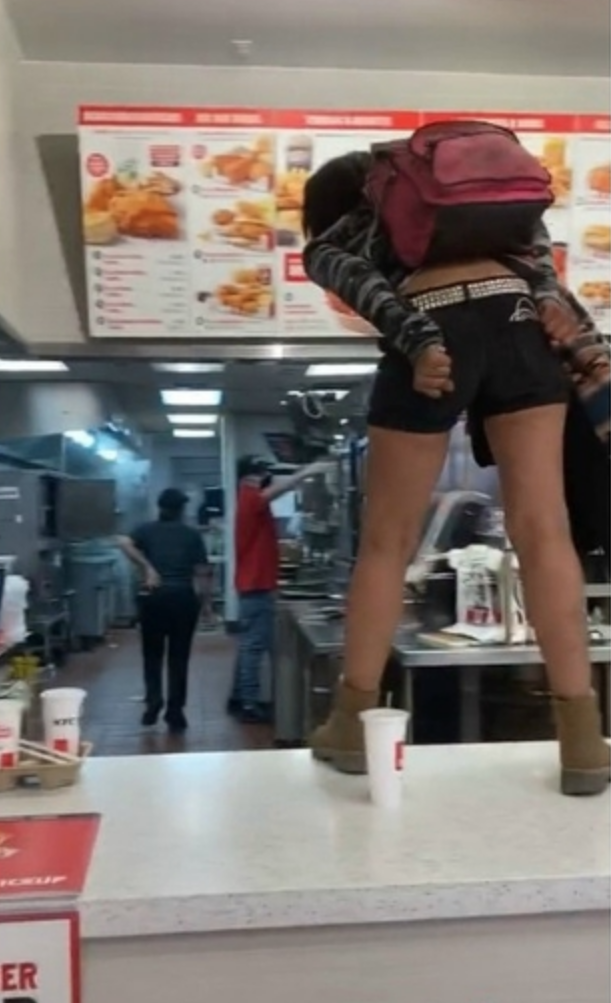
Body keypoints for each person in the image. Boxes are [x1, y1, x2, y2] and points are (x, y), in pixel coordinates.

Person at [301, 151, 610, 797]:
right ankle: (583, 741)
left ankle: (351, 727)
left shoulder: (346, 230)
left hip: (432, 328)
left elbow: (361, 285)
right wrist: (544, 297)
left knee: (387, 541)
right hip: (519, 323)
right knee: (545, 531)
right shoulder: (482, 220)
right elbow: (538, 248)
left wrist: (417, 340)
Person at [229, 455, 327, 724]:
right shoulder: (249, 495)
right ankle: (248, 704)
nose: (266, 478)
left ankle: (239, 697)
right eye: (263, 474)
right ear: (254, 475)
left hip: (255, 585)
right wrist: (306, 471)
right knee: (253, 646)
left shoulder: (248, 497)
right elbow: (274, 491)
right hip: (256, 586)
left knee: (250, 645)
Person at [119, 488, 210, 733]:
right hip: (183, 598)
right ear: (181, 510)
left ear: (160, 508)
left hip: (154, 597)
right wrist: (207, 605)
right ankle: (175, 711)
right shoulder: (191, 534)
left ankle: (153, 701)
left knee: (152, 654)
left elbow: (123, 542)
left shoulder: (145, 530)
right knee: (179, 657)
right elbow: (202, 572)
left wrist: (147, 567)